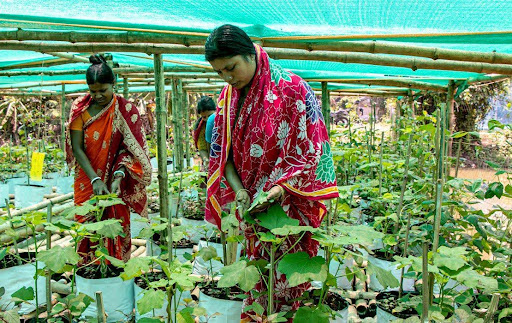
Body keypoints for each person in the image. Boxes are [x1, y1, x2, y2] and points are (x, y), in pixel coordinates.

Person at [204, 25, 338, 320]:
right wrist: (239, 190)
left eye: (231, 68)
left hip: (287, 209)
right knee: (257, 279)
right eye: (219, 73)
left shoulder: (293, 89)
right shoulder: (227, 97)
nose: (227, 78)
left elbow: (314, 152)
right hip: (252, 206)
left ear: (250, 54)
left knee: (287, 285)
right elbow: (222, 154)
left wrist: (278, 189)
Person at [66, 54, 152, 263]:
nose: (98, 96)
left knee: (116, 226)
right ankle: (88, 271)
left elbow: (131, 151)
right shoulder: (80, 109)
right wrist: (95, 179)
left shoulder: (125, 110)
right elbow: (77, 148)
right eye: (93, 91)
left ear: (113, 85)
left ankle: (116, 274)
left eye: (103, 90)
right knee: (86, 225)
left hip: (116, 180)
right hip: (86, 178)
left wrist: (118, 176)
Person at [192, 96, 216, 171]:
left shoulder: (223, 121)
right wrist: (206, 160)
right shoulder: (201, 128)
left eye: (210, 115)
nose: (208, 119)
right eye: (204, 117)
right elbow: (202, 148)